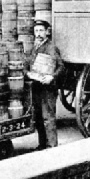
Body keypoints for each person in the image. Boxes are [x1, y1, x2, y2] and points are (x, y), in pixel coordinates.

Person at [24, 19, 65, 150]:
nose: (38, 34)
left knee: (48, 117)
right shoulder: (33, 48)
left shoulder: (51, 48)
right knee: (38, 117)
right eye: (36, 31)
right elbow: (26, 65)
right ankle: (42, 144)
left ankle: (52, 146)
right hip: (36, 86)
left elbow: (61, 67)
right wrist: (27, 74)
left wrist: (51, 77)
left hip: (48, 88)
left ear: (47, 32)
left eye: (41, 30)